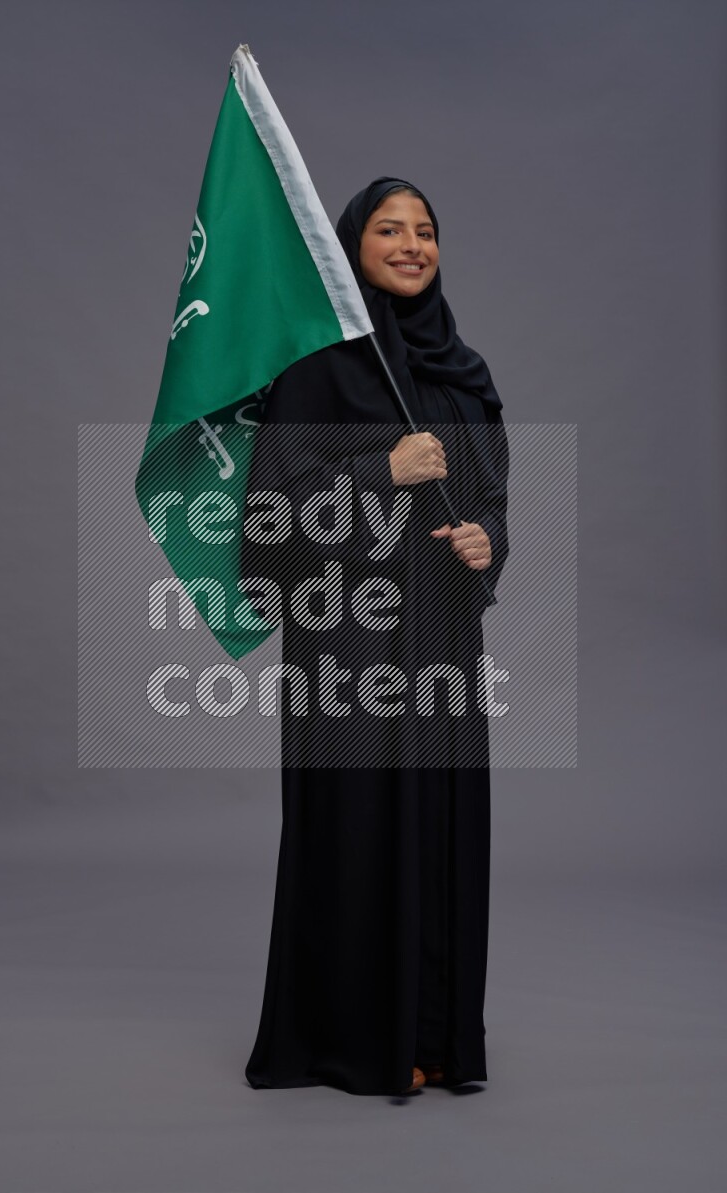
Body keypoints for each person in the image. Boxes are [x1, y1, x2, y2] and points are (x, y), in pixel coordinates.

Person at [241, 177, 510, 1096]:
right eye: (389, 230)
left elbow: (492, 502)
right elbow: (267, 524)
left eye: (425, 230)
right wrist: (379, 472)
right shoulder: (315, 370)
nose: (411, 245)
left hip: (442, 647)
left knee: (441, 827)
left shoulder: (463, 376)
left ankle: (434, 1034)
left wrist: (487, 541)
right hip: (350, 649)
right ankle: (357, 1041)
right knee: (358, 831)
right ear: (351, 250)